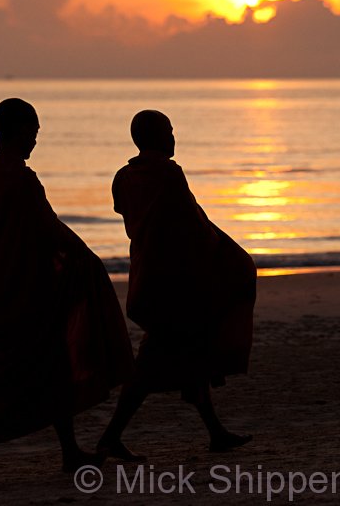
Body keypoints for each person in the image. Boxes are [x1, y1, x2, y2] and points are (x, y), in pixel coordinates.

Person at [0, 98, 134, 481]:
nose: (35, 142)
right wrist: (87, 257)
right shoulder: (20, 179)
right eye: (34, 133)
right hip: (23, 294)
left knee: (44, 366)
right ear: (20, 131)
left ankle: (70, 451)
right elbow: (49, 229)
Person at [97, 109, 256, 460]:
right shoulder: (168, 173)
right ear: (157, 137)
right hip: (171, 287)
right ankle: (110, 436)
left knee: (190, 352)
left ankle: (215, 432)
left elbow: (134, 218)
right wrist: (232, 257)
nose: (174, 136)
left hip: (144, 281)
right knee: (151, 365)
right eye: (169, 130)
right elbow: (194, 226)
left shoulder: (123, 177)